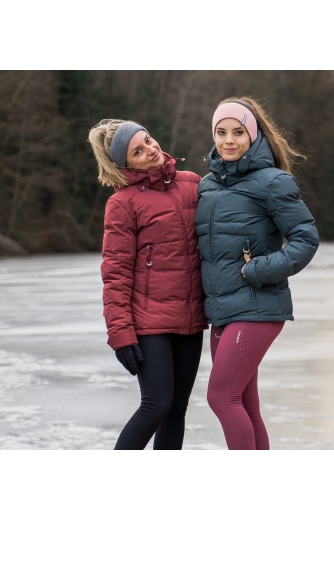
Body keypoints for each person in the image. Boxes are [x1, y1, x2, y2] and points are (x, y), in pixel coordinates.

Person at [195, 96, 320, 450]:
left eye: (238, 132)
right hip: (222, 311)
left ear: (253, 135)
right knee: (245, 406)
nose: (228, 140)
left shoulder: (273, 182)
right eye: (221, 132)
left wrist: (258, 269)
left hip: (257, 306)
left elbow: (306, 239)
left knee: (221, 397)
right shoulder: (207, 186)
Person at [88, 119, 207, 450]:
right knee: (156, 404)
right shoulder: (123, 204)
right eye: (137, 152)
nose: (150, 150)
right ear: (125, 165)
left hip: (190, 317)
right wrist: (120, 334)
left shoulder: (193, 184)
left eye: (148, 141)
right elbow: (116, 273)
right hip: (149, 321)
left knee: (176, 409)